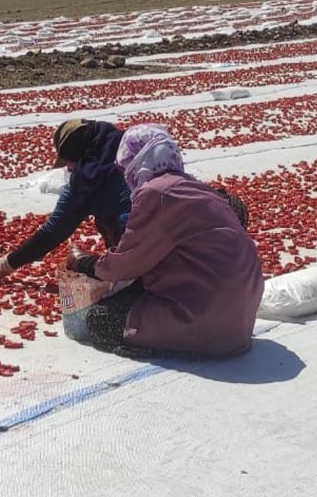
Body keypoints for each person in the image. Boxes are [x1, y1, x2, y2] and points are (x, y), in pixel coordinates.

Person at [66, 124, 264, 357]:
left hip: (206, 318)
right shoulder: (198, 188)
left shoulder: (155, 193)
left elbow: (125, 264)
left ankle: (189, 346)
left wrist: (85, 263)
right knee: (133, 299)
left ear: (134, 160)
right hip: (241, 317)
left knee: (100, 320)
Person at [0, 119, 133, 281]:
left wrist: (7, 263)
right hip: (161, 230)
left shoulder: (86, 180)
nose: (68, 169)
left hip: (144, 240)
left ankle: (123, 269)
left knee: (115, 222)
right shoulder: (134, 146)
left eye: (68, 163)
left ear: (74, 155)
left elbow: (51, 233)